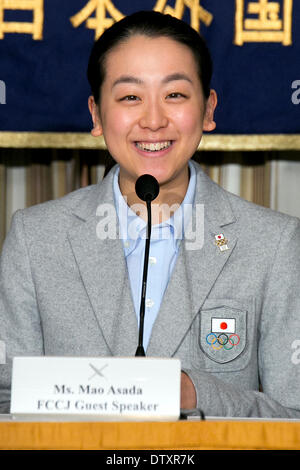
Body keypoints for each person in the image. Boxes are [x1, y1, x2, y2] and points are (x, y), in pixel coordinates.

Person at [0, 10, 300, 418]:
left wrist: (198, 394)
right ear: (96, 114)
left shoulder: (275, 244)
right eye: (130, 97)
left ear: (209, 109)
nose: (154, 120)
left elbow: (294, 414)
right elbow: (5, 400)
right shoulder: (35, 238)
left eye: (175, 95)